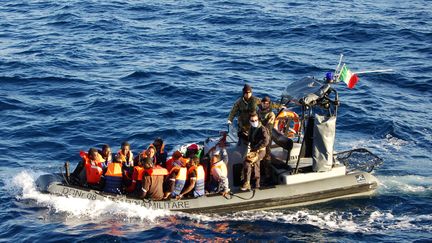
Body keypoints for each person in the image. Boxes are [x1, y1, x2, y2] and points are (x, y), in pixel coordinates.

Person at [241, 112, 270, 191]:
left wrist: (257, 148)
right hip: (254, 150)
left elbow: (266, 141)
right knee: (250, 163)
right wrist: (243, 135)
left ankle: (252, 183)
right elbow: (251, 139)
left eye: (256, 120)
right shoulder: (251, 128)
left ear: (258, 120)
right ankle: (252, 182)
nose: (254, 122)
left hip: (261, 150)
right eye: (252, 121)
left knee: (249, 162)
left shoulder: (262, 129)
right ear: (250, 121)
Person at [257, 96, 276, 184]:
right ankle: (259, 174)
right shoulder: (258, 111)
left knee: (267, 155)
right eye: (263, 103)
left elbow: (268, 126)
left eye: (267, 103)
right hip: (258, 135)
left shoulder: (271, 114)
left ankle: (268, 176)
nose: (265, 105)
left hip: (266, 136)